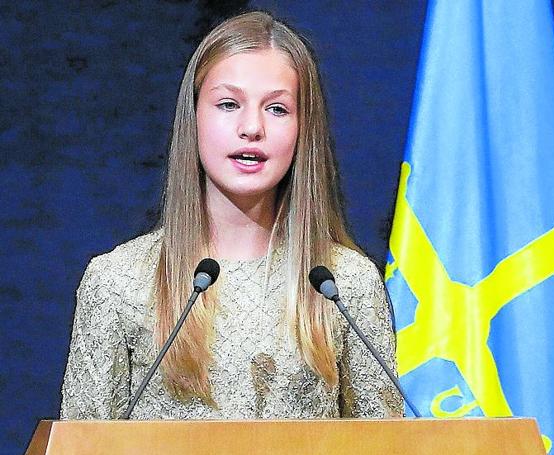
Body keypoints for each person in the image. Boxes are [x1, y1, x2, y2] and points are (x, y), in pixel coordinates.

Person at [60, 10, 402, 420]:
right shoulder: (118, 283)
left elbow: (385, 441)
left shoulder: (345, 284)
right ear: (194, 118)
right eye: (228, 104)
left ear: (302, 129)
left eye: (277, 109)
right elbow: (81, 443)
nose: (252, 127)